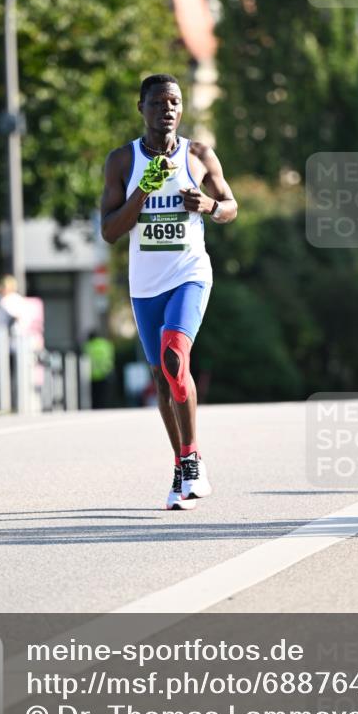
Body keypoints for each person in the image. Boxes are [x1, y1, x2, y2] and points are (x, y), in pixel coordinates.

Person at [100, 73, 237, 510]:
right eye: (158, 103)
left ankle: (193, 460)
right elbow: (109, 231)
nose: (169, 110)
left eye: (175, 102)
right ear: (141, 108)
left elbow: (230, 206)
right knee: (162, 377)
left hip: (189, 273)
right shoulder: (122, 162)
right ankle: (180, 465)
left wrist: (210, 206)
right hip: (145, 284)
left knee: (175, 355)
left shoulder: (197, 154)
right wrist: (143, 190)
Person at [83, 330, 115, 409]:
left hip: (92, 376)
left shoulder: (87, 346)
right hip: (105, 374)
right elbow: (111, 358)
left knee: (95, 397)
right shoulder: (106, 344)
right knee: (104, 396)